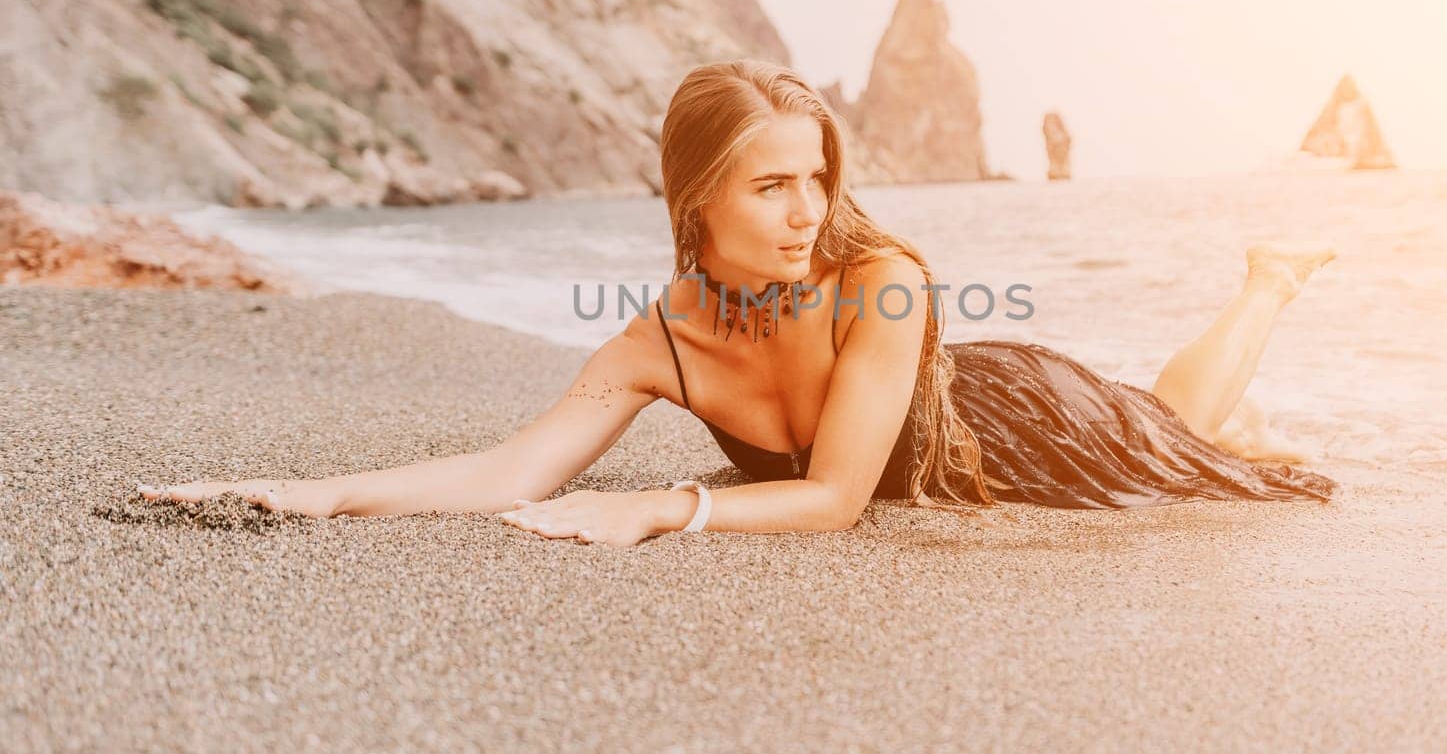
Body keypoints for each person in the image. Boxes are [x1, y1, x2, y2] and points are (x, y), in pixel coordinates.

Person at [139, 60, 1337, 546]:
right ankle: (1263, 298)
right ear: (695, 200)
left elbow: (835, 498)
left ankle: (1268, 286)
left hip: (1011, 416)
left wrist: (667, 512)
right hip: (937, 436)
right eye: (772, 185)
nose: (807, 207)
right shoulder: (654, 342)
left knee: (1171, 428)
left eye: (816, 178)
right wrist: (318, 493)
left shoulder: (884, 280)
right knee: (1190, 424)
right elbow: (515, 472)